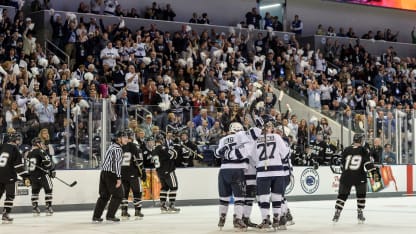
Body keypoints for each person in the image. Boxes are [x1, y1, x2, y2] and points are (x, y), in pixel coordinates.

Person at [215, 122, 261, 231]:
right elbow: (246, 152)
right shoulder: (242, 136)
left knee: (224, 197)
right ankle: (238, 220)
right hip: (238, 169)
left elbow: (216, 153)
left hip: (223, 170)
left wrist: (225, 153)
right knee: (240, 198)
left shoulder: (223, 139)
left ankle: (222, 218)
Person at [249, 121, 290, 230]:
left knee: (264, 197)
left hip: (263, 172)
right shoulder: (277, 137)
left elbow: (253, 157)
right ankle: (277, 219)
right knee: (277, 196)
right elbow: (285, 154)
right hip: (278, 171)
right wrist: (287, 144)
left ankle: (266, 220)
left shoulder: (256, 140)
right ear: (270, 128)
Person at [332, 134, 379, 223]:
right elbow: (367, 163)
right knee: (361, 195)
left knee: (342, 195)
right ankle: (360, 213)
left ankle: (337, 213)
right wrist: (374, 174)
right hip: (359, 175)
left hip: (346, 176)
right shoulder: (363, 150)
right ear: (361, 141)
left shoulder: (346, 149)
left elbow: (341, 164)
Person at [92, 131, 128, 223]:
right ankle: (110, 216)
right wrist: (118, 178)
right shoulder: (118, 149)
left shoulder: (112, 146)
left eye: (126, 137)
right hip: (112, 174)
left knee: (104, 196)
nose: (126, 139)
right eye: (124, 137)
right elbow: (116, 164)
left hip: (104, 173)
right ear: (119, 139)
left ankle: (96, 216)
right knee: (119, 195)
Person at [0, 132, 30, 224]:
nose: (19, 141)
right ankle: (5, 214)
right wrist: (26, 177)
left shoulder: (2, 146)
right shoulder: (15, 149)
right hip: (9, 176)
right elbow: (18, 167)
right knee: (10, 196)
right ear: (16, 140)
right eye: (18, 139)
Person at [151, 133, 181, 213]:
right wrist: (176, 146)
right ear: (161, 140)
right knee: (174, 187)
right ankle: (171, 205)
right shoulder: (163, 148)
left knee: (164, 188)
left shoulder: (153, 150)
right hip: (168, 171)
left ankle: (163, 205)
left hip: (159, 172)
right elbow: (174, 155)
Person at [120, 129, 146, 220]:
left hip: (122, 174)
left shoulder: (120, 147)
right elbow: (139, 161)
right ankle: (137, 211)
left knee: (124, 194)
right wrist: (143, 172)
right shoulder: (134, 146)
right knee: (137, 192)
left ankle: (124, 211)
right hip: (133, 174)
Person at [27, 137, 56, 216]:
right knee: (49, 190)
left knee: (35, 192)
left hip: (33, 175)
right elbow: (48, 163)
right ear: (38, 144)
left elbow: (28, 166)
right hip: (42, 175)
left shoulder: (29, 153)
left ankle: (35, 208)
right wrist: (51, 170)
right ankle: (48, 207)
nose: (42, 145)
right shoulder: (41, 151)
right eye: (41, 143)